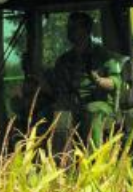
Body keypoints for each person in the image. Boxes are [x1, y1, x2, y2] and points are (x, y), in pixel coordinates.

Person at [36, 12, 123, 146]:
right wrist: (40, 79)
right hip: (71, 105)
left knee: (92, 112)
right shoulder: (63, 60)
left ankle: (94, 162)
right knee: (48, 113)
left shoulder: (103, 55)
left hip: (99, 103)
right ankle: (58, 161)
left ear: (87, 30)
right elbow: (55, 90)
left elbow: (115, 83)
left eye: (75, 27)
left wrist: (98, 80)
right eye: (69, 27)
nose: (70, 30)